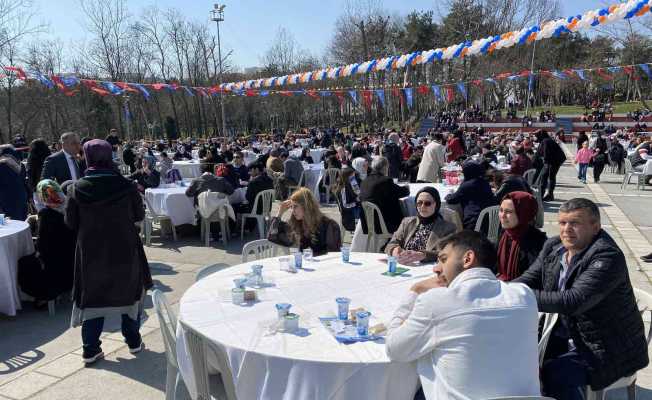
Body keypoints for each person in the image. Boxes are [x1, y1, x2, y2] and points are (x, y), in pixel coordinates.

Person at [515, 198, 649, 399]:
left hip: (608, 345)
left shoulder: (607, 257)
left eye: (575, 223)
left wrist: (518, 295)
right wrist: (497, 290)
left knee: (556, 374)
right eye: (562, 223)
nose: (566, 229)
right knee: (517, 357)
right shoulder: (554, 247)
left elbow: (572, 301)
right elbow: (527, 280)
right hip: (569, 331)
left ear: (595, 227)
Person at [386, 230, 540, 400]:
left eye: (443, 259)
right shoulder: (524, 295)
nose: (436, 268)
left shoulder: (437, 301)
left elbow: (394, 349)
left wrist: (415, 290)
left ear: (467, 259)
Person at [65, 139, 152, 365]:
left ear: (87, 157)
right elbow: (138, 216)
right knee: (128, 297)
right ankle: (133, 341)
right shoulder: (126, 186)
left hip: (92, 252)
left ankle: (90, 349)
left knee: (94, 300)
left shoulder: (77, 189)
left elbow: (71, 222)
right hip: (124, 248)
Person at [18, 180, 75, 307]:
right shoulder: (70, 208)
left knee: (23, 263)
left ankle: (45, 296)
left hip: (55, 270)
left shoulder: (47, 216)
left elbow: (42, 247)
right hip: (73, 264)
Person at [385, 187, 457, 264]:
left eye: (427, 203)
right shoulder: (407, 222)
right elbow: (391, 243)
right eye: (419, 203)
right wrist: (394, 250)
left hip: (428, 268)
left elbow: (447, 253)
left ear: (436, 205)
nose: (422, 206)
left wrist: (423, 255)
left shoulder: (448, 228)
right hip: (405, 266)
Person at [267, 187, 342, 256]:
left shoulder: (329, 226)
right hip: (305, 268)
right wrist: (280, 213)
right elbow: (272, 236)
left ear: (306, 206)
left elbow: (334, 256)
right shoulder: (298, 224)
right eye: (291, 207)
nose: (293, 211)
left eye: (295, 206)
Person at [496, 192, 547, 281]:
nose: (502, 216)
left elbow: (534, 278)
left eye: (508, 212)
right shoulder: (505, 234)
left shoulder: (537, 242)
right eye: (501, 210)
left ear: (523, 214)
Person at [359, 157, 410, 235]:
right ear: (385, 167)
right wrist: (407, 187)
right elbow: (404, 192)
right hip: (384, 224)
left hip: (368, 224)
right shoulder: (385, 181)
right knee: (410, 218)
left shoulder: (364, 181)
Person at [445, 161, 497, 230]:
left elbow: (452, 200)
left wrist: (448, 195)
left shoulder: (468, 185)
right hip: (490, 221)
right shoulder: (484, 182)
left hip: (474, 222)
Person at [534, 129, 566, 201]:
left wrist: (545, 163)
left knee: (548, 177)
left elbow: (546, 153)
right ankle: (546, 194)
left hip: (554, 161)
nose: (536, 137)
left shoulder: (546, 141)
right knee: (547, 177)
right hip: (553, 160)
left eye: (537, 135)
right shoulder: (546, 140)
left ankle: (548, 195)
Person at [0, 145, 28, 221]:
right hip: (21, 197)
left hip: (7, 200)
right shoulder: (21, 165)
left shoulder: (1, 165)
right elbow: (24, 182)